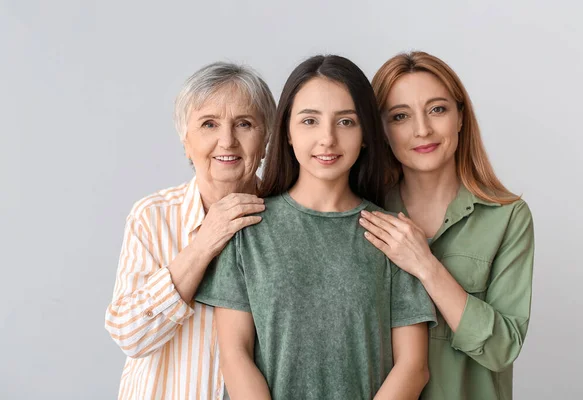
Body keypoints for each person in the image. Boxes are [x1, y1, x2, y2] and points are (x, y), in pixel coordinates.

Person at [195, 55, 437, 400]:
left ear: (366, 134)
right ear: (288, 132)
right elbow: (234, 355)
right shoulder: (247, 230)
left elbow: (413, 367)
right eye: (310, 121)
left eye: (346, 122)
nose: (327, 139)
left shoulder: (392, 237)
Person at [360, 51, 535, 400]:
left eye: (437, 109)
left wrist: (426, 266)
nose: (422, 129)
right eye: (399, 116)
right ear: (380, 131)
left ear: (460, 117)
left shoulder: (508, 216)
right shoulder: (365, 214)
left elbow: (502, 349)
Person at [104, 62, 276, 399]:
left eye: (244, 123)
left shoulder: (288, 219)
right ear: (186, 141)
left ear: (266, 137)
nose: (226, 140)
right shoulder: (152, 217)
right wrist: (204, 244)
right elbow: (131, 336)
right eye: (209, 124)